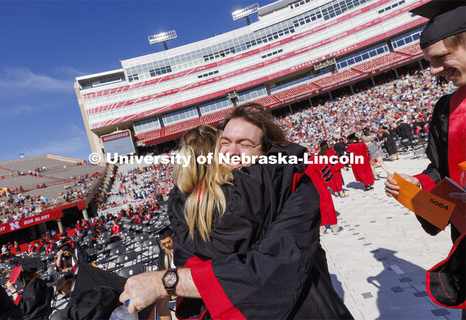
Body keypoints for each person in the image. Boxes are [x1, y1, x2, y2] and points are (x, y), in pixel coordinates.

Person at [120, 104, 352, 319]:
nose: (232, 152)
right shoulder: (187, 207)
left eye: (245, 144)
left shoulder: (292, 186)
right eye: (226, 141)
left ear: (265, 150)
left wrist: (166, 283)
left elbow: (273, 269)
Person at [385, 0, 465, 311]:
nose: (433, 71)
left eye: (441, 58)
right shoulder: (446, 110)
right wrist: (416, 184)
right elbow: (439, 170)